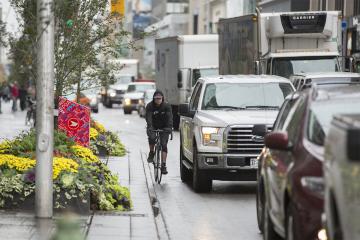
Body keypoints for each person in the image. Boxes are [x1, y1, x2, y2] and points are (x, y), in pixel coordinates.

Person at [145, 90, 173, 174]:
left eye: (159, 98)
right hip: (153, 126)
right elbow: (148, 117)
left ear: (162, 98)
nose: (158, 100)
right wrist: (150, 126)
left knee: (164, 144)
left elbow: (170, 118)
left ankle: (163, 165)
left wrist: (169, 127)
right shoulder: (150, 106)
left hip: (164, 127)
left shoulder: (167, 106)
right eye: (156, 99)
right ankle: (151, 152)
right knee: (152, 137)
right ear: (154, 99)